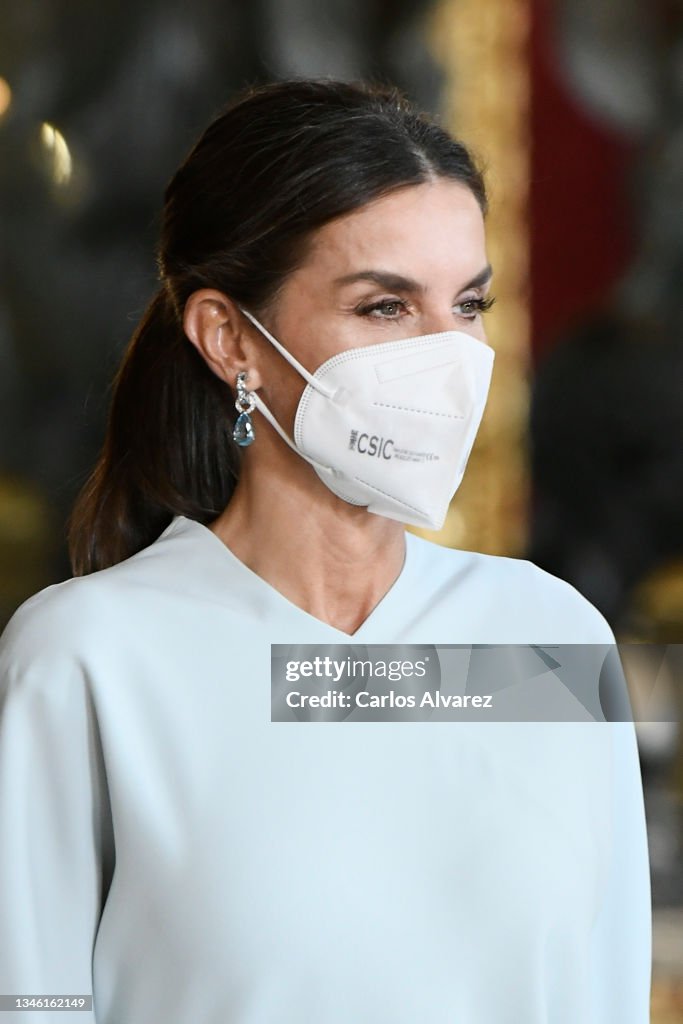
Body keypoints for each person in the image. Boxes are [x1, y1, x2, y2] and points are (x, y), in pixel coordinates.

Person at [0, 79, 651, 1023]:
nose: (447, 358)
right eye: (384, 307)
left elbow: (604, 986)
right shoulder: (89, 658)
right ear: (230, 339)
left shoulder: (546, 639)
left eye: (467, 304)